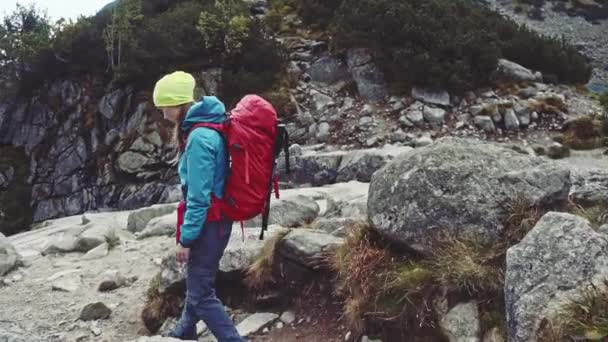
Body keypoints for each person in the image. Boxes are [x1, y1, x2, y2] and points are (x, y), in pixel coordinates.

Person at [153, 71, 244, 341]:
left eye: (164, 107)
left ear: (177, 104)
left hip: (209, 225)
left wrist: (185, 239)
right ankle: (183, 334)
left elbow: (198, 198)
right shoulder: (205, 128)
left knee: (202, 295)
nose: (162, 113)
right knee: (197, 287)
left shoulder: (199, 139)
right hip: (215, 222)